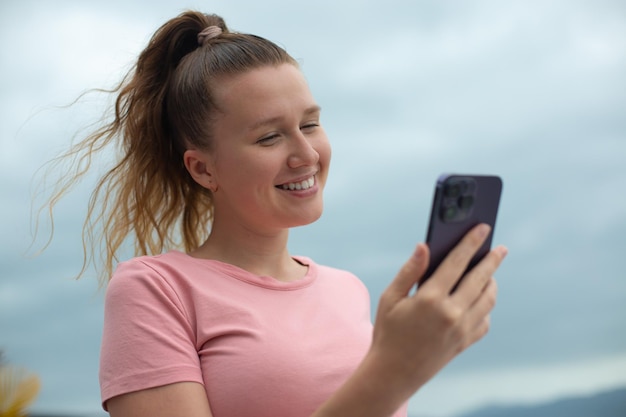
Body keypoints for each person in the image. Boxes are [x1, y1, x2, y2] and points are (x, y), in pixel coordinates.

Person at [46, 10, 507, 417]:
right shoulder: (156, 289)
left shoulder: (348, 290)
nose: (306, 154)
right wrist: (395, 371)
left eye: (310, 124)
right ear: (203, 168)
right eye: (270, 137)